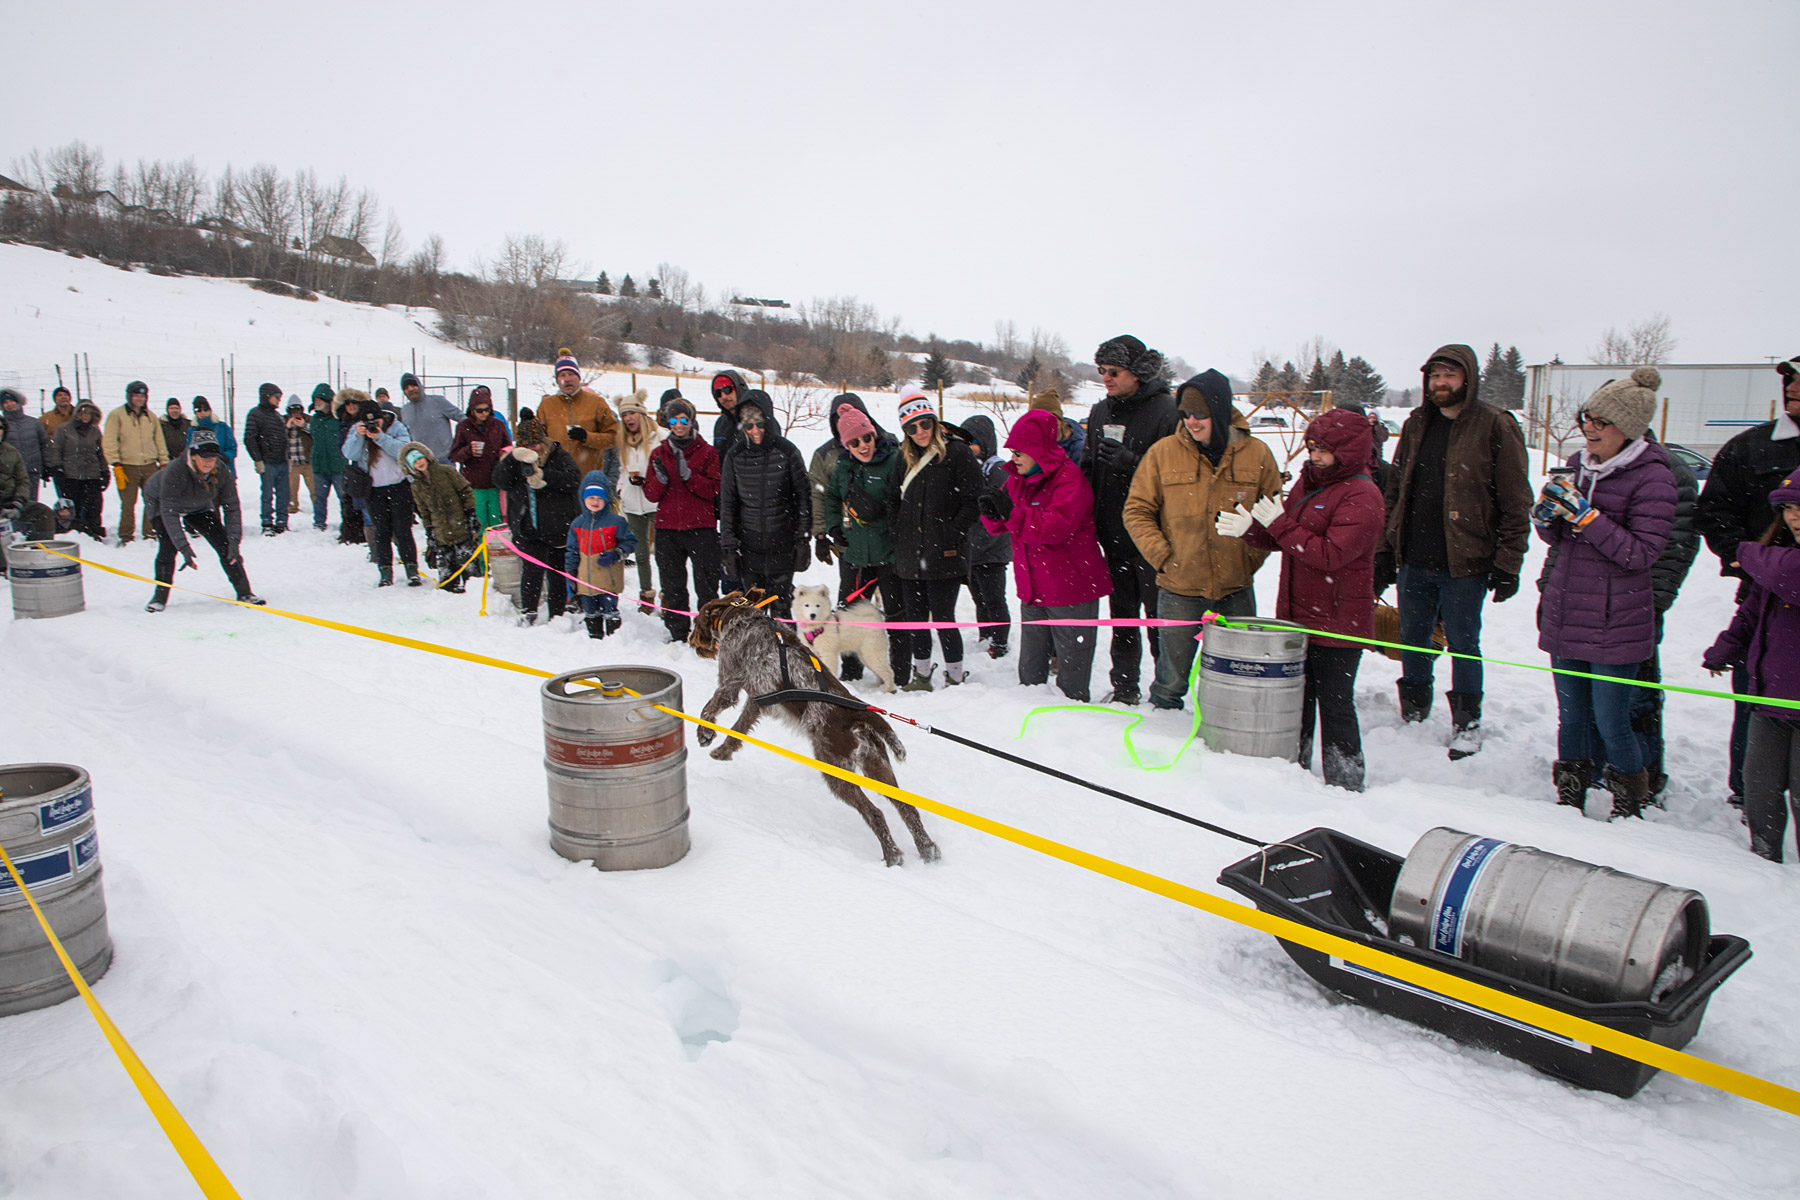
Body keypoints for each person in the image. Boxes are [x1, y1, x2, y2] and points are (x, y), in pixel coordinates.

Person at [1375, 343, 1532, 759]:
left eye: (1450, 375)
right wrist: (1386, 548)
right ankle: (1414, 711)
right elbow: (1396, 491)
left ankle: (1467, 723)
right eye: (1435, 376)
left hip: (1466, 561)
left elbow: (1516, 501)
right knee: (1413, 638)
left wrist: (1509, 562)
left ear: (1468, 379)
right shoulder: (1417, 423)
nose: (1441, 383)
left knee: (1464, 643)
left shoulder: (1494, 425)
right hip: (1414, 557)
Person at [1533, 368, 1677, 820]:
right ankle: (1569, 799)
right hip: (1568, 610)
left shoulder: (1654, 477)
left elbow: (1641, 552)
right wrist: (1547, 515)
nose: (1588, 429)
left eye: (1600, 422)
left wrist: (1587, 517)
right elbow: (1558, 538)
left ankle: (1630, 803)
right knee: (1572, 717)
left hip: (1617, 619)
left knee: (1613, 721)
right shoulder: (1577, 465)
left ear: (1628, 428)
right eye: (1586, 418)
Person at [1231, 408, 1386, 791]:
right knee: (1296, 701)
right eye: (1312, 447)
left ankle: (1346, 780)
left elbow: (1329, 554)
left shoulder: (1363, 495)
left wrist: (1278, 523)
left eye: (1323, 450)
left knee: (1335, 703)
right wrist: (1252, 529)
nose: (1314, 456)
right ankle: (1293, 772)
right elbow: (1290, 539)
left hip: (1338, 620)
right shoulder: (1309, 481)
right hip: (1297, 615)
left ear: (1347, 451)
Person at [1124, 369, 1284, 711]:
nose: (1191, 422)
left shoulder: (1257, 454)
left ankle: (1228, 732)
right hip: (1179, 588)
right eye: (1185, 413)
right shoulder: (1163, 453)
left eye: (1200, 413)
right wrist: (1165, 558)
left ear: (1220, 411)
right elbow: (1136, 510)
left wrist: (1248, 559)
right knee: (1170, 680)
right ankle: (1162, 728)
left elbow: (1273, 516)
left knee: (1238, 675)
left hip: (1236, 589)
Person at [1696, 355, 1800, 811]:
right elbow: (1714, 510)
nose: (1792, 386)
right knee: (1756, 696)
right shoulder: (1751, 447)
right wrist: (1746, 561)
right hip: (1763, 597)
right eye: (1789, 378)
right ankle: (1750, 795)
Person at [981, 408, 1111, 702]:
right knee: (1030, 673)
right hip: (1033, 588)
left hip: (1071, 589)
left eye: (1019, 452)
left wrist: (1011, 513)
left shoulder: (1069, 480)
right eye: (1012, 451)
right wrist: (991, 512)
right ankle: (1031, 719)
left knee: (1072, 672)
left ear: (1038, 450)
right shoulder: (1018, 478)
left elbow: (1054, 528)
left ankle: (1075, 717)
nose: (1014, 458)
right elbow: (1003, 522)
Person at [1703, 474, 1800, 861]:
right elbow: (1752, 612)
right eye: (1788, 508)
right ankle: (1763, 864)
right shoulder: (1776, 558)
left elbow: (1788, 575)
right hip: (1769, 698)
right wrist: (1725, 648)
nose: (1794, 517)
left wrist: (1746, 552)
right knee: (1759, 789)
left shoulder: (1774, 563)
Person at [1081, 334, 1180, 706]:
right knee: (1122, 618)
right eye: (1101, 370)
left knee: (1157, 620)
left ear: (1137, 372)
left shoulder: (1167, 411)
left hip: (1154, 536)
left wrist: (1133, 463)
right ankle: (1124, 687)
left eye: (1114, 371)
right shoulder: (1100, 411)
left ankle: (1166, 694)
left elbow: (1177, 477)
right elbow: (1087, 467)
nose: (1106, 377)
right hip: (1112, 534)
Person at [888, 391, 980, 691]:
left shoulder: (958, 453)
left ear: (934, 422)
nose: (920, 432)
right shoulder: (902, 458)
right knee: (916, 619)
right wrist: (898, 533)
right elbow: (893, 500)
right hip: (909, 554)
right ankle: (922, 675)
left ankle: (955, 676)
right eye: (912, 427)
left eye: (925, 423)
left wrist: (951, 534)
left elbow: (973, 501)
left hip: (945, 554)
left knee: (943, 617)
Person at [824, 403, 912, 686]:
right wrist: (834, 527)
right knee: (848, 615)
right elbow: (831, 497)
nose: (863, 446)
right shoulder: (844, 466)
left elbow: (906, 502)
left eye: (866, 438)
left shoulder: (894, 460)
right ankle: (851, 673)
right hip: (856, 554)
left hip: (889, 554)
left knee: (897, 615)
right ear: (846, 445)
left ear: (874, 435)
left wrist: (894, 526)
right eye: (854, 442)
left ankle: (900, 673)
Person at [143, 430, 264, 611]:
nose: (209, 461)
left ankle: (245, 593)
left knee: (225, 546)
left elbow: (232, 507)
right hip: (161, 502)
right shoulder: (175, 471)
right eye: (204, 457)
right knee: (168, 547)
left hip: (198, 504)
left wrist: (234, 542)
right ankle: (159, 598)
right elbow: (169, 512)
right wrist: (183, 547)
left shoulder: (221, 471)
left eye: (213, 457)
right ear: (193, 455)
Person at [809, 393, 884, 678]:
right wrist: (821, 534)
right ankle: (852, 668)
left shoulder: (885, 444)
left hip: (886, 540)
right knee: (851, 604)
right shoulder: (826, 454)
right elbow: (818, 495)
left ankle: (896, 664)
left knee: (894, 604)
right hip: (849, 541)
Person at [718, 390, 810, 619]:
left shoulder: (787, 452)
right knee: (753, 611)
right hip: (749, 545)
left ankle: (783, 642)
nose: (755, 431)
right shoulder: (735, 456)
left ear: (768, 421)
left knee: (781, 608)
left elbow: (803, 497)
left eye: (760, 424)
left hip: (782, 542)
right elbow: (728, 503)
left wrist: (802, 539)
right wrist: (729, 547)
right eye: (749, 426)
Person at [642, 398, 722, 642]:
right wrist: (661, 480)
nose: (679, 425)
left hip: (701, 527)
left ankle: (707, 632)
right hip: (668, 529)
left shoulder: (708, 452)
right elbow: (650, 494)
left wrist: (690, 477)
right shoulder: (658, 454)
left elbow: (714, 489)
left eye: (684, 420)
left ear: (692, 421)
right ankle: (678, 632)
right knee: (672, 584)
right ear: (667, 422)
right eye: (674, 420)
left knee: (706, 584)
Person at [492, 417, 583, 624]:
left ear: (542, 441)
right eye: (527, 445)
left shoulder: (558, 455)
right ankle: (529, 612)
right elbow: (500, 481)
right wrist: (511, 459)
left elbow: (573, 479)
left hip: (557, 525)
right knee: (531, 571)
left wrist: (545, 476)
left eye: (535, 444)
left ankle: (557, 615)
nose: (532, 449)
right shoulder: (515, 460)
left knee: (557, 572)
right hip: (528, 527)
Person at [341, 402, 424, 587]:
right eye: (368, 422)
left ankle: (412, 570)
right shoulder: (357, 430)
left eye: (376, 421)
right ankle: (385, 572)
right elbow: (349, 454)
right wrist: (358, 436)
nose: (373, 425)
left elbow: (403, 450)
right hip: (373, 490)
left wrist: (380, 437)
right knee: (381, 531)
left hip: (399, 486)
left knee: (403, 530)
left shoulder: (396, 427)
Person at [960, 414, 1014, 660]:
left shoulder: (998, 471)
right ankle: (986, 637)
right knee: (979, 599)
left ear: (985, 442)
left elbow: (1001, 513)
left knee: (994, 600)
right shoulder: (972, 469)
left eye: (972, 442)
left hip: (992, 550)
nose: (968, 448)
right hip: (973, 549)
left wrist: (980, 542)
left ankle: (1000, 644)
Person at [565, 471, 637, 639]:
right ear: (583, 499)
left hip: (608, 578)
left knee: (610, 609)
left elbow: (630, 542)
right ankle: (595, 638)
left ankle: (614, 638)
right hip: (585, 578)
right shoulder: (577, 524)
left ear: (606, 500)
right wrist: (571, 573)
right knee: (590, 610)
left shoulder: (616, 522)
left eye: (599, 498)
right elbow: (572, 550)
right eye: (591, 498)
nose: (595, 502)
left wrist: (617, 554)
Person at [401, 441, 478, 592]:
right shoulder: (416, 486)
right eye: (415, 462)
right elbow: (423, 510)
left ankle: (472, 588)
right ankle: (449, 588)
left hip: (461, 523)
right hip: (441, 531)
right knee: (446, 568)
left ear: (426, 457)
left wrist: (470, 512)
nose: (419, 463)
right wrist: (429, 529)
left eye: (420, 458)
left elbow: (465, 491)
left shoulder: (447, 471)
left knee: (468, 562)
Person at [535, 349, 619, 482]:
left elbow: (613, 437)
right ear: (557, 380)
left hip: (588, 477)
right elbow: (538, 440)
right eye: (562, 375)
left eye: (571, 374)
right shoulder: (546, 405)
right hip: (557, 478)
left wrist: (587, 437)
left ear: (578, 377)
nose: (567, 379)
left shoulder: (597, 403)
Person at [102, 381, 170, 544]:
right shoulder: (117, 415)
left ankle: (150, 532)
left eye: (142, 396)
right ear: (129, 396)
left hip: (149, 465)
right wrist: (115, 463)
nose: (139, 399)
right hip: (127, 466)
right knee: (128, 503)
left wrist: (163, 461)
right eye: (136, 396)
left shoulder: (150, 416)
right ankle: (126, 535)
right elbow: (109, 441)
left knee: (152, 500)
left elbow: (159, 440)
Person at [613, 390, 662, 614]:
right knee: (641, 554)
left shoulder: (659, 436)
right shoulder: (621, 440)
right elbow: (621, 469)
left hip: (656, 502)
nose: (628, 418)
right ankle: (646, 596)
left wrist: (652, 482)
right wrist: (621, 488)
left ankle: (668, 595)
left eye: (632, 413)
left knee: (663, 554)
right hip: (633, 503)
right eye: (624, 415)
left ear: (641, 413)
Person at [447, 385, 512, 534]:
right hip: (473, 485)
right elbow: (454, 455)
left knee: (498, 524)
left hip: (495, 483)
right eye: (479, 410)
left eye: (486, 409)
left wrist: (504, 456)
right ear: (472, 410)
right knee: (479, 524)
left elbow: (508, 448)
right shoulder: (463, 427)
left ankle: (497, 549)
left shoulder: (498, 425)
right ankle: (481, 549)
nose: (484, 413)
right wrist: (468, 451)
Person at [49, 401, 108, 538]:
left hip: (92, 475)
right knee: (72, 506)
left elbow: (100, 453)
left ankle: (93, 531)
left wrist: (105, 471)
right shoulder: (63, 429)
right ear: (77, 414)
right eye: (82, 413)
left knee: (93, 506)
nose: (85, 416)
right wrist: (57, 468)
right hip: (71, 475)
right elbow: (56, 450)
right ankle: (74, 532)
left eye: (89, 413)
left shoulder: (95, 431)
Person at [242, 381, 291, 535]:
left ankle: (282, 522)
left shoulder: (277, 416)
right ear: (267, 396)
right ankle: (267, 523)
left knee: (284, 494)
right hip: (267, 462)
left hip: (282, 461)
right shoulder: (255, 414)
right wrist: (257, 459)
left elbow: (283, 437)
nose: (279, 400)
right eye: (276, 397)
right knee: (267, 494)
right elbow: (249, 438)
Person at [331, 390, 372, 542]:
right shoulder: (342, 423)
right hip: (354, 466)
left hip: (370, 463)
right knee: (353, 500)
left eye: (354, 402)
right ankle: (358, 533)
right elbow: (342, 448)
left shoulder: (367, 419)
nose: (351, 406)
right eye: (347, 403)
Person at [307, 384, 347, 532]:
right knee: (319, 497)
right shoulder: (315, 419)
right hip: (319, 466)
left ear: (328, 401)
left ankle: (348, 522)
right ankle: (319, 522)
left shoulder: (339, 418)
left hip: (338, 466)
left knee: (344, 497)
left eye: (319, 399)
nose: (316, 402)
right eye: (315, 400)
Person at [397, 372, 462, 462]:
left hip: (445, 460)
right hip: (422, 462)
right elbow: (406, 435)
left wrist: (458, 442)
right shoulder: (405, 410)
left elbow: (462, 418)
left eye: (413, 385)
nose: (410, 389)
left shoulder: (438, 401)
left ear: (419, 386)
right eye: (406, 388)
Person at [1, 389, 50, 501]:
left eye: (11, 401)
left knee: (30, 502)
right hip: (9, 473)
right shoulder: (2, 425)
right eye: (5, 402)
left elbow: (44, 444)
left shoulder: (34, 423)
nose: (9, 404)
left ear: (18, 402)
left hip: (32, 470)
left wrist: (47, 465)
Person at [189, 398, 238, 476]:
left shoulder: (222, 426)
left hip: (224, 470)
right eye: (199, 410)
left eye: (205, 409)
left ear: (210, 410)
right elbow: (189, 450)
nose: (203, 412)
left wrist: (224, 457)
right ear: (195, 413)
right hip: (200, 472)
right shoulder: (192, 430)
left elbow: (232, 447)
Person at [284, 400, 314, 519]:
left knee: (314, 488)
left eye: (298, 410)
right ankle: (292, 508)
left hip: (308, 461)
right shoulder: (283, 420)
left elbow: (316, 433)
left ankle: (318, 507)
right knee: (291, 488)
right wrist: (287, 428)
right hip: (292, 462)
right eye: (292, 411)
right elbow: (279, 436)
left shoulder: (308, 419)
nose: (295, 413)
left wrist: (304, 426)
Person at [709, 371, 751, 455]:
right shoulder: (721, 423)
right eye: (718, 393)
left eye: (727, 390)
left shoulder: (759, 421)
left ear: (739, 389)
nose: (724, 397)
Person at [159, 397, 191, 463]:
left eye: (176, 408)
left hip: (186, 461)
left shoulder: (188, 424)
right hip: (169, 462)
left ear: (180, 410)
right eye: (171, 408)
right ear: (167, 410)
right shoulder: (161, 426)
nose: (174, 411)